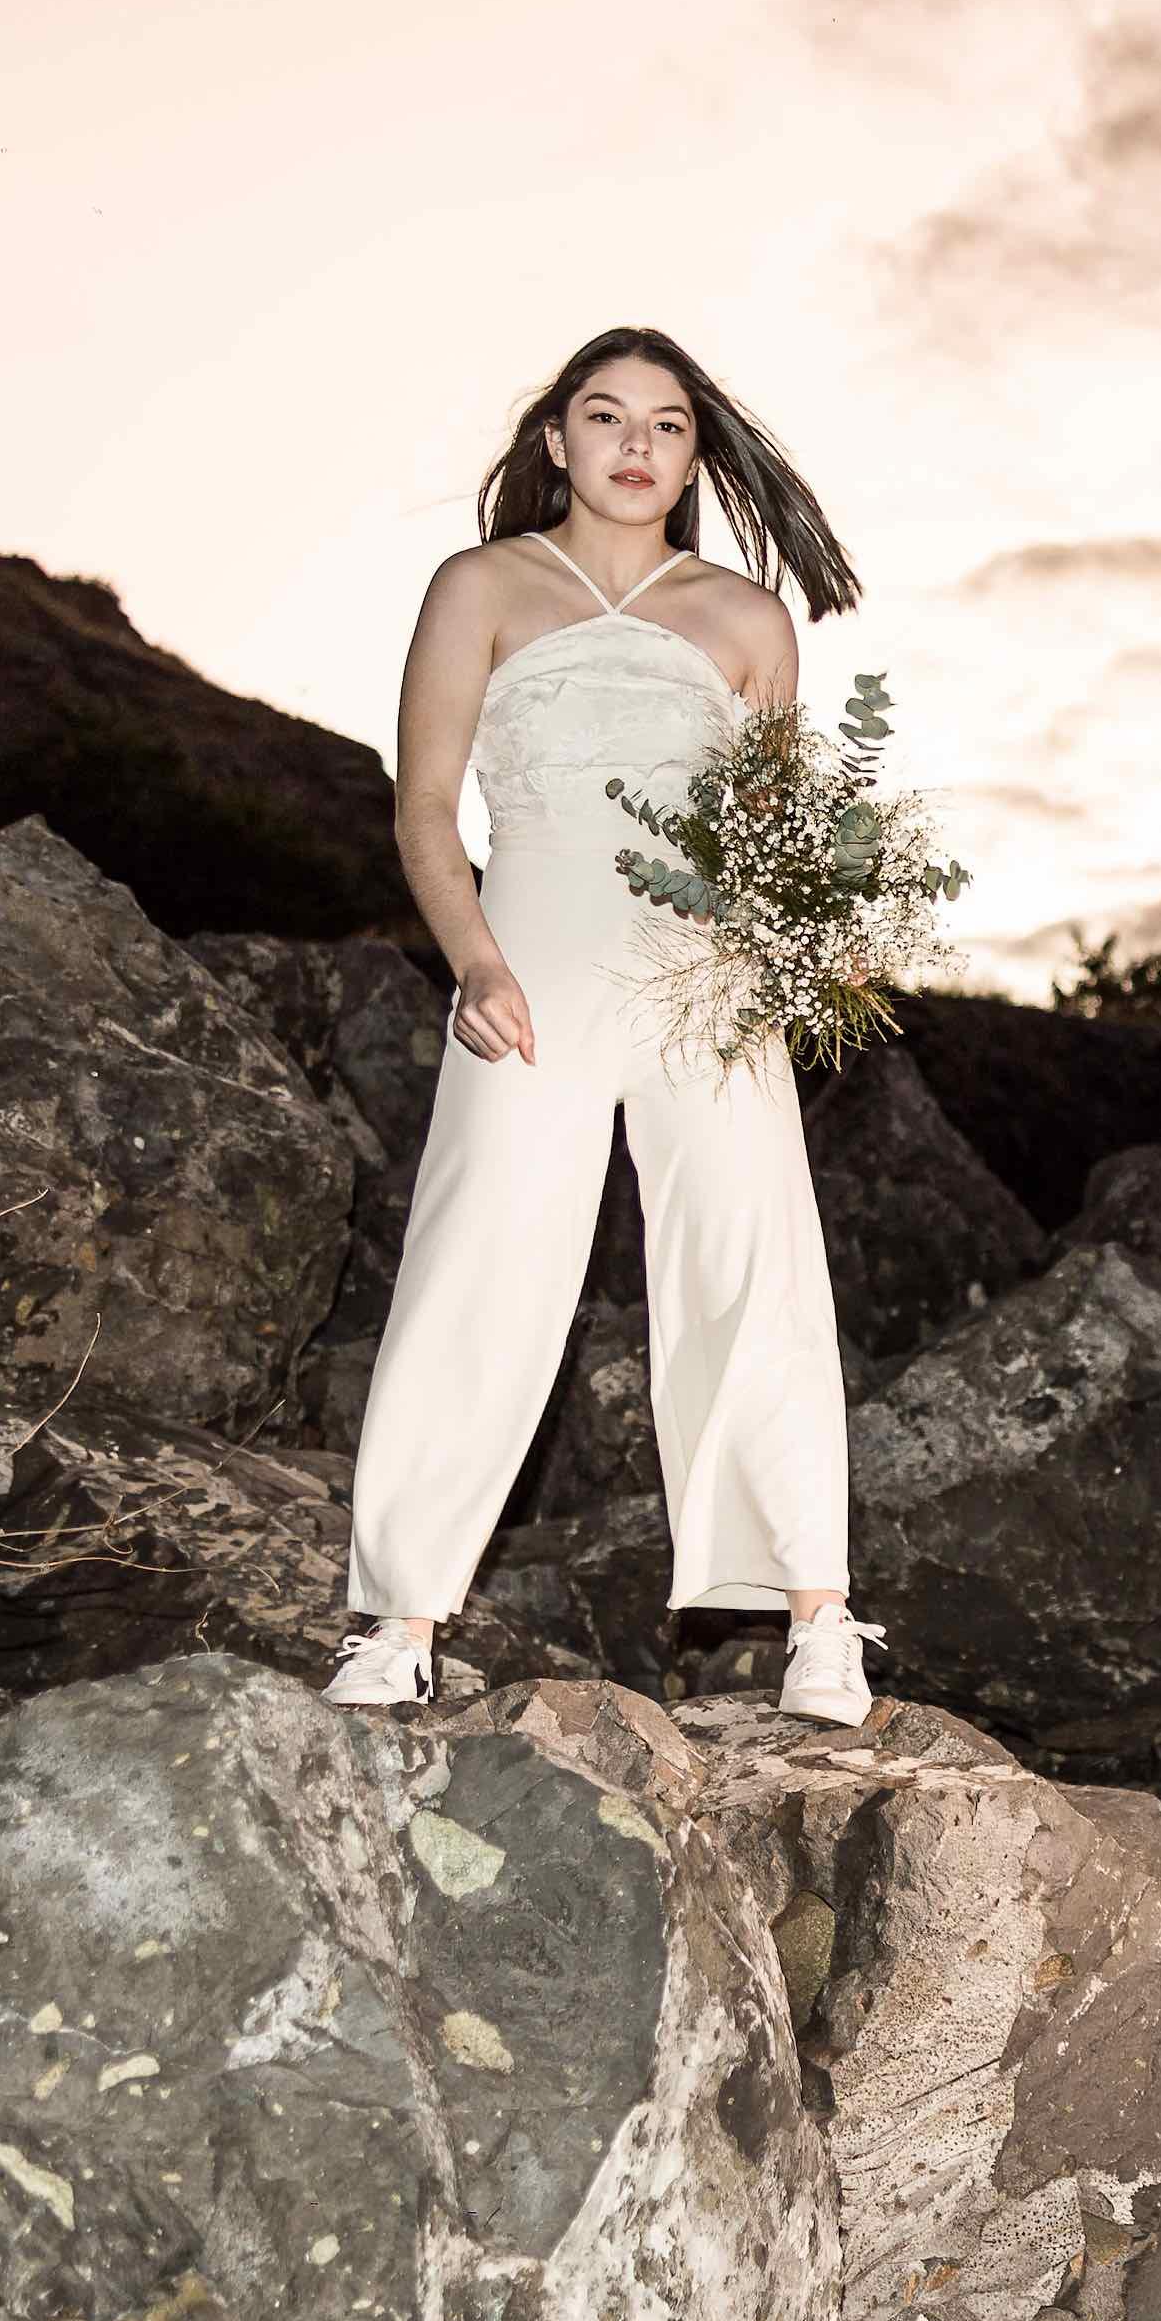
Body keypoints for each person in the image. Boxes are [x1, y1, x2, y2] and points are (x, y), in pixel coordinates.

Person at [323, 327, 884, 1725]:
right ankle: (400, 1619)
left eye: (668, 424)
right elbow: (424, 808)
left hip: (704, 989)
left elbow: (770, 843)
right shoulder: (482, 586)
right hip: (528, 976)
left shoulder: (749, 621)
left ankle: (820, 1618)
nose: (637, 444)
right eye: (606, 414)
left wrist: (793, 954)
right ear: (557, 438)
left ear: (694, 456)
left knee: (752, 1256)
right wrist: (475, 963)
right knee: (480, 1256)